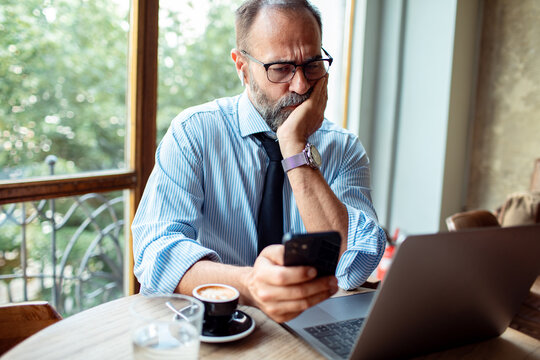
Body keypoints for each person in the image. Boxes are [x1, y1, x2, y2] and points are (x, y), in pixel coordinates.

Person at [132, 0, 386, 323]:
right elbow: (155, 253)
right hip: (216, 332)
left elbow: (357, 264)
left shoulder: (343, 148)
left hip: (311, 335)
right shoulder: (194, 133)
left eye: (312, 64)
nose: (301, 85)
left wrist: (295, 148)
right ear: (242, 67)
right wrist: (249, 285)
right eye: (280, 68)